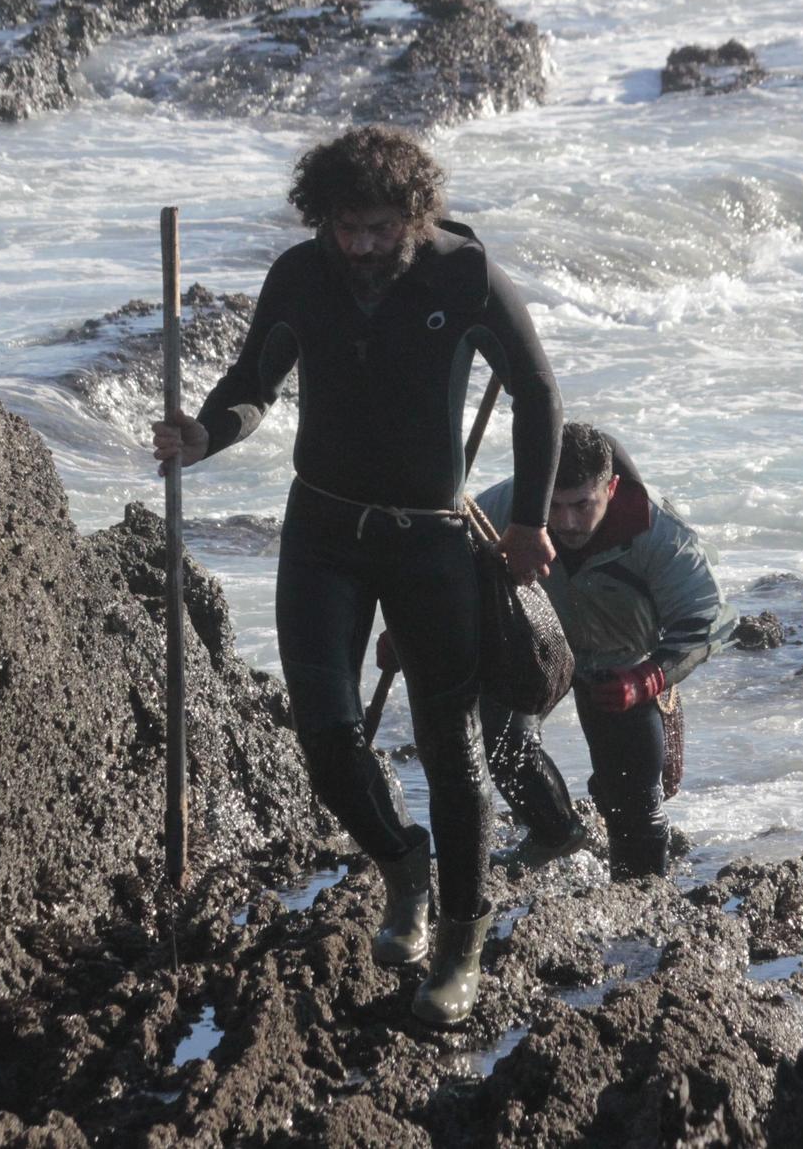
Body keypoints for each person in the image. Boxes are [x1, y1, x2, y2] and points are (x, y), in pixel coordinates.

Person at [153, 126, 560, 1027]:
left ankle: (460, 939)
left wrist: (530, 517)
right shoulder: (301, 274)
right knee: (325, 739)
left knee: (452, 753)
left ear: (413, 215)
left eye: (379, 227)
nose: (362, 245)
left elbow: (536, 391)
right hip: (324, 531)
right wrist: (204, 435)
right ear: (322, 217)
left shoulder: (464, 276)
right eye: (345, 226)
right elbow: (252, 383)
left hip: (430, 541)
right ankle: (400, 861)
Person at [473, 421, 734, 879]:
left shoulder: (659, 533)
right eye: (552, 505)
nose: (566, 522)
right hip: (534, 641)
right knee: (498, 741)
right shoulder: (506, 505)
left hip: (620, 661)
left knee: (634, 802)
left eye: (581, 505)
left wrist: (648, 679)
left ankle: (643, 901)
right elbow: (442, 565)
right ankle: (555, 830)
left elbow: (705, 624)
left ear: (611, 488)